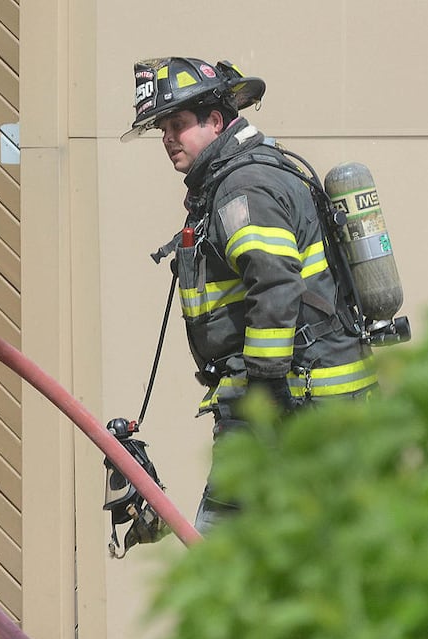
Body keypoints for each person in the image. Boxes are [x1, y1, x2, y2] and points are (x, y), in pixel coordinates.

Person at [121, 57, 378, 534]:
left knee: (224, 550)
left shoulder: (244, 187)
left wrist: (265, 390)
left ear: (216, 121)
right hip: (304, 398)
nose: (168, 138)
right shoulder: (235, 178)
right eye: (162, 129)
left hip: (297, 401)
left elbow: (275, 285)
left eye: (178, 124)